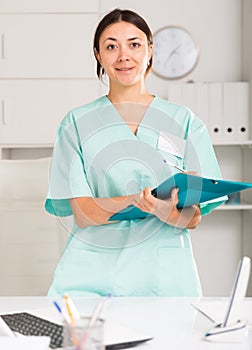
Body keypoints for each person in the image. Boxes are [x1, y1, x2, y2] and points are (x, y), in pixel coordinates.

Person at [45, 8, 225, 297]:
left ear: (150, 50)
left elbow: (192, 218)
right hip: (92, 277)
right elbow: (84, 213)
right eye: (111, 46)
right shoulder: (76, 125)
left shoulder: (183, 122)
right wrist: (140, 201)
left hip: (163, 277)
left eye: (134, 44)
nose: (123, 56)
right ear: (98, 55)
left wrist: (162, 210)